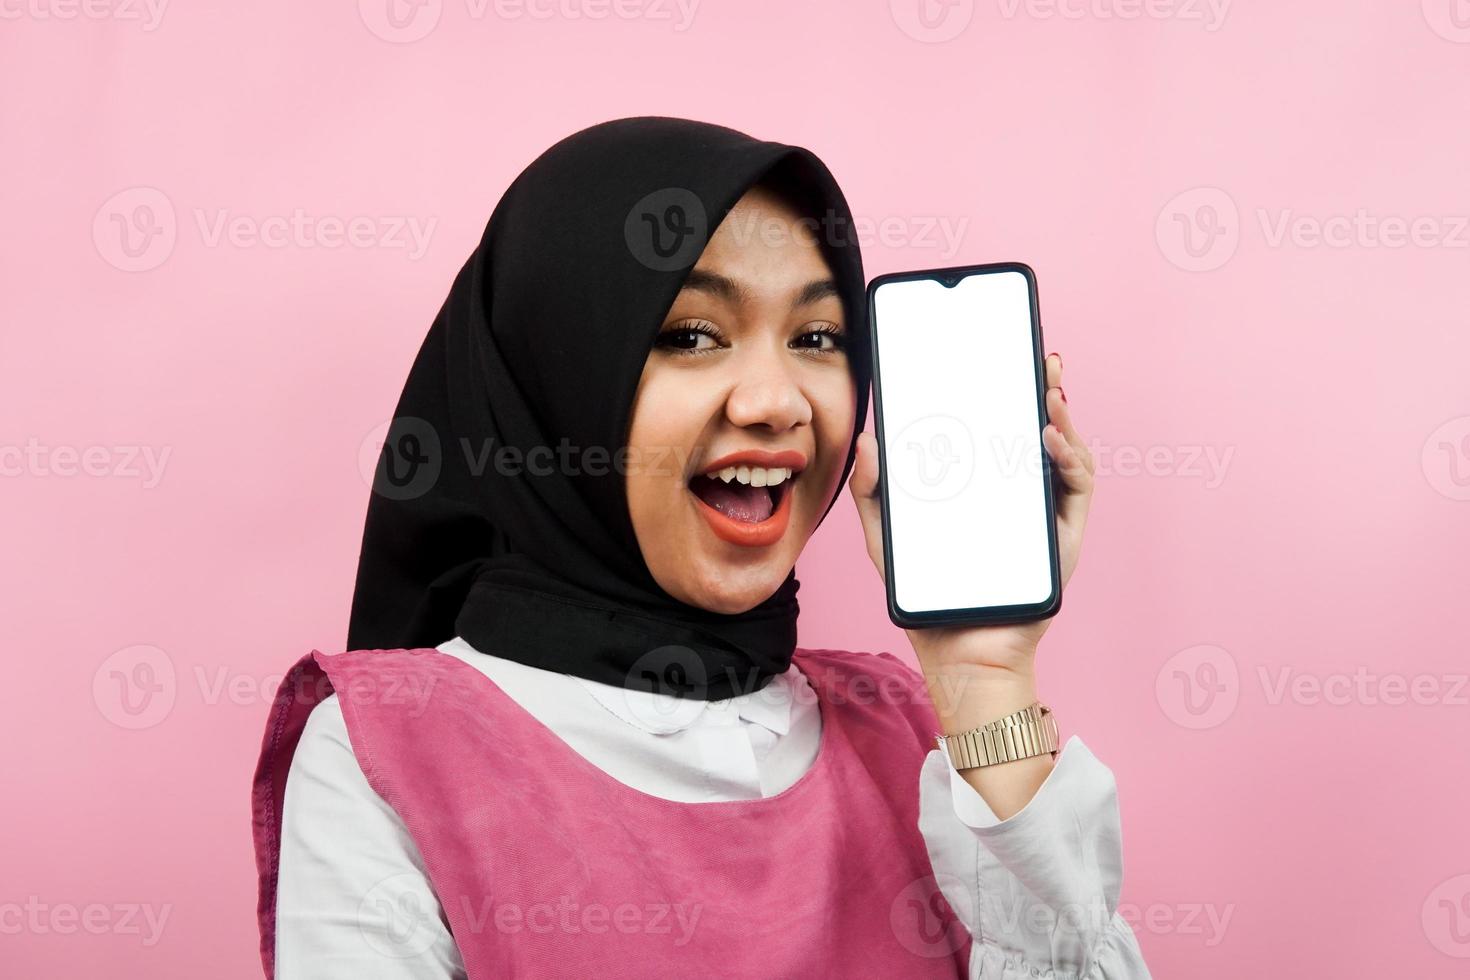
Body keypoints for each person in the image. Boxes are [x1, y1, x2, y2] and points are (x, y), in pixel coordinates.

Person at [249, 115, 1152, 979]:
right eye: (690, 336)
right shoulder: (390, 750)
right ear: (556, 371)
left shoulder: (916, 727)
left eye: (817, 337)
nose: (776, 402)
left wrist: (984, 676)